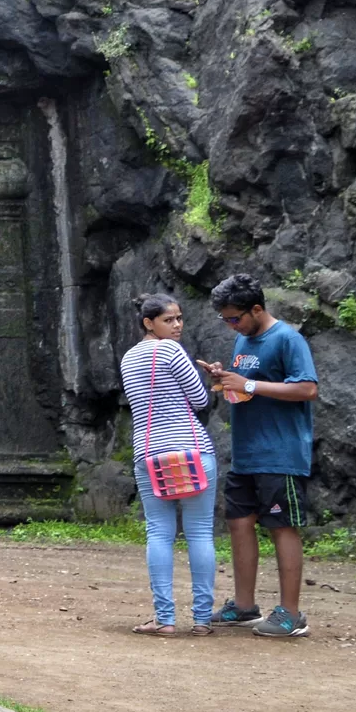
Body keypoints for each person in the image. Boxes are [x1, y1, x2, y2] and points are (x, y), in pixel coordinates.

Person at [201, 272, 320, 639]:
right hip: (246, 453)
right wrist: (227, 379)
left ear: (257, 308)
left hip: (280, 453)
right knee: (239, 523)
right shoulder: (243, 339)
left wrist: (249, 383)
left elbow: (307, 388)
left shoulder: (287, 338)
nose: (230, 325)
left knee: (282, 526)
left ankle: (290, 613)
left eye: (234, 317)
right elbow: (249, 387)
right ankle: (244, 604)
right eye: (225, 319)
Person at [120, 294, 217, 637]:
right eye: (169, 320)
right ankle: (203, 620)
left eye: (179, 319)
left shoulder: (129, 358)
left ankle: (165, 619)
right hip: (191, 450)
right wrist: (210, 378)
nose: (177, 325)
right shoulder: (172, 351)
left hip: (149, 453)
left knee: (159, 533)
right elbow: (200, 400)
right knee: (200, 532)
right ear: (149, 323)